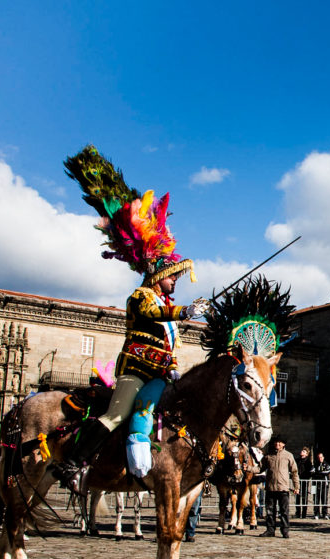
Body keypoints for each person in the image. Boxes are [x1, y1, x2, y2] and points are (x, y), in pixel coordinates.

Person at [54, 146, 209, 490]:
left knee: (156, 414)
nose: (174, 282)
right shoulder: (142, 296)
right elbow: (153, 313)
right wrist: (185, 311)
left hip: (158, 374)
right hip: (134, 369)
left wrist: (173, 364)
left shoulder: (166, 309)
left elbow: (169, 341)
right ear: (157, 276)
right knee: (116, 414)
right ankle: (75, 462)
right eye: (172, 277)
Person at [259, 438, 299, 538]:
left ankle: (285, 530)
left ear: (283, 444)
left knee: (284, 511)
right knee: (269, 511)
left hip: (283, 488)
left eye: (280, 442)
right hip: (270, 488)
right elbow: (260, 468)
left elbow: (294, 472)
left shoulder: (288, 456)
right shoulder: (268, 456)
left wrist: (296, 486)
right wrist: (248, 468)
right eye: (276, 442)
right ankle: (270, 530)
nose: (277, 444)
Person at [311, 452, 330, 519]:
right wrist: (318, 473)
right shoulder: (315, 464)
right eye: (319, 457)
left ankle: (325, 513)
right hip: (314, 485)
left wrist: (318, 473)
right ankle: (316, 513)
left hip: (324, 484)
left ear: (323, 457)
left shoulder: (326, 464)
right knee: (315, 499)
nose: (320, 459)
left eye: (321, 457)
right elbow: (312, 472)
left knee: (324, 499)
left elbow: (327, 472)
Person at [295, 447, 312, 519]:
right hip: (298, 480)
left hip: (304, 480)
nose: (302, 452)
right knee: (297, 497)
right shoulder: (297, 460)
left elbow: (309, 472)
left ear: (307, 454)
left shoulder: (308, 462)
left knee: (304, 498)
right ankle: (298, 512)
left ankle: (304, 513)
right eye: (302, 451)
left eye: (304, 451)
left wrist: (306, 477)